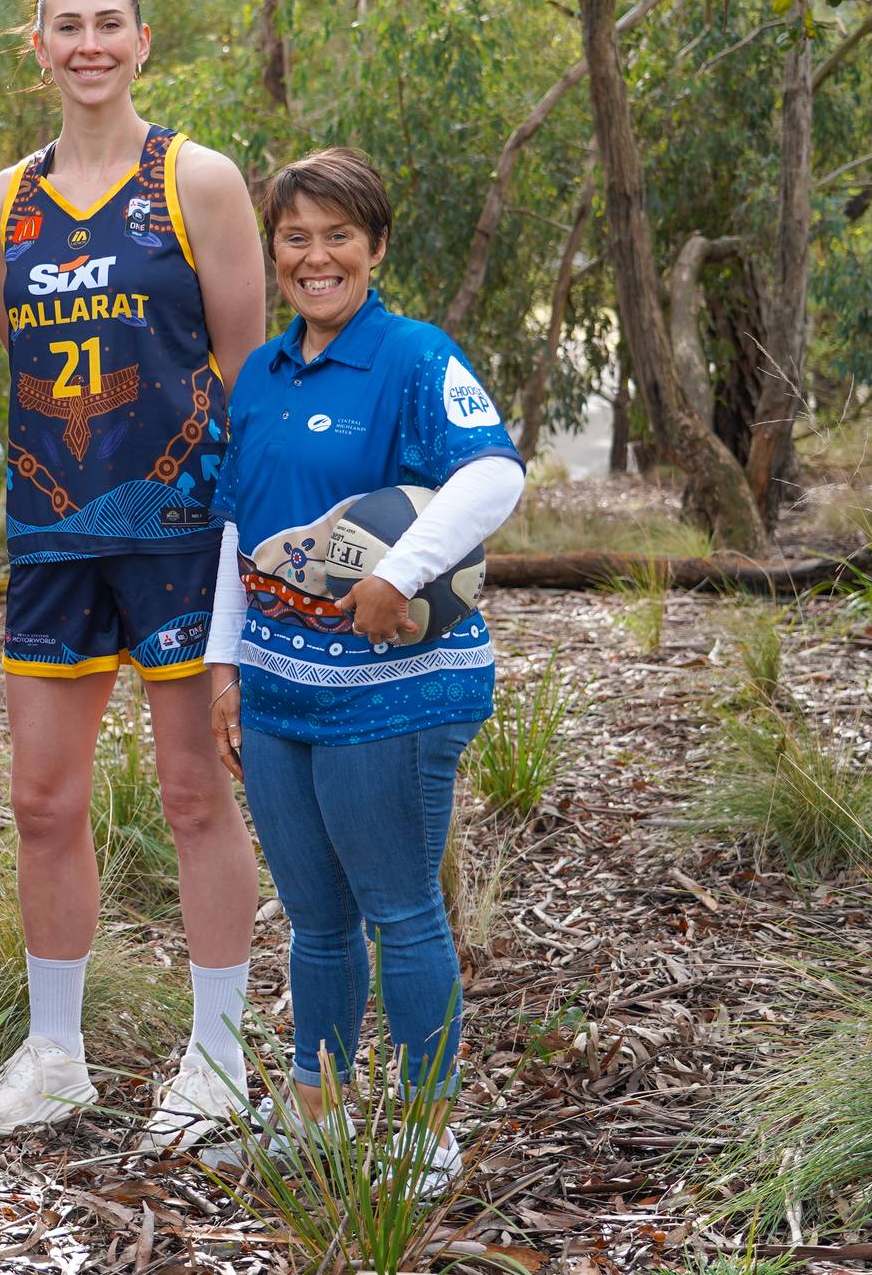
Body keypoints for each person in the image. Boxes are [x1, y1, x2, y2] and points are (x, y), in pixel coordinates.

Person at [0, 0, 267, 1149]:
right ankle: (55, 1054)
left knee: (194, 793)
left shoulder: (199, 180)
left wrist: (251, 560)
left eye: (108, 25)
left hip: (185, 537)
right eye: (64, 27)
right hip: (53, 539)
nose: (87, 44)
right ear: (33, 47)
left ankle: (218, 1056)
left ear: (142, 42)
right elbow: (19, 357)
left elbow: (244, 374)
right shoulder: (2, 205)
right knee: (43, 799)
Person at [204, 147, 525, 1195]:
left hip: (396, 690)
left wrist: (399, 569)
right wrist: (221, 666)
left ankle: (426, 1133)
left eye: (337, 235)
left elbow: (490, 475)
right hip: (277, 687)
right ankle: (316, 1117)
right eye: (294, 236)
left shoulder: (412, 356)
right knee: (314, 920)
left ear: (375, 246)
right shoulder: (260, 372)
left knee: (397, 910)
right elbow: (238, 533)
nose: (314, 256)